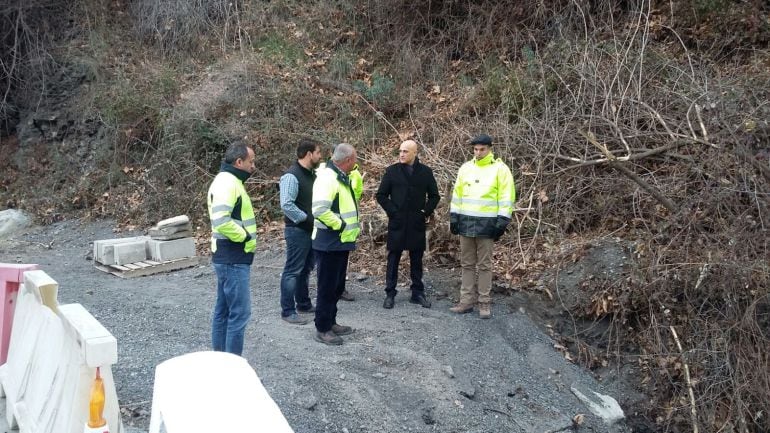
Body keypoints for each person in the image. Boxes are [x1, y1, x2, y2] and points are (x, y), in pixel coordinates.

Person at [448, 134, 515, 319]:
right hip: (466, 222)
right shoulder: (466, 168)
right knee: (467, 264)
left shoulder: (500, 170)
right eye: (475, 149)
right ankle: (466, 301)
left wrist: (502, 221)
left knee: (485, 265)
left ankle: (484, 303)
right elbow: (457, 194)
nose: (478, 153)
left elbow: (506, 197)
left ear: (490, 149)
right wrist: (454, 216)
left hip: (487, 224)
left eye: (482, 149)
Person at [375, 140, 440, 309]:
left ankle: (417, 293)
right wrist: (393, 212)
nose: (401, 154)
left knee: (416, 259)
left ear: (414, 153)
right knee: (393, 258)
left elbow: (434, 196)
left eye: (405, 151)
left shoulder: (425, 172)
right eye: (400, 151)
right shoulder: (392, 171)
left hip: (416, 222)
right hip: (397, 222)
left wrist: (424, 212)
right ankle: (390, 293)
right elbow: (381, 195)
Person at [207, 141, 257, 355]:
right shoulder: (228, 183)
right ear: (239, 162)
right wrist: (244, 237)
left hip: (229, 256)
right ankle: (233, 366)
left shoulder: (229, 180)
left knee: (224, 311)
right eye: (250, 162)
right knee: (239, 313)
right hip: (233, 257)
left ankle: (221, 361)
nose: (253, 166)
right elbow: (221, 220)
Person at [311, 143, 361, 345]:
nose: (356, 162)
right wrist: (340, 226)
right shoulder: (328, 178)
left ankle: (331, 321)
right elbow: (320, 210)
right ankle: (322, 328)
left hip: (340, 242)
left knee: (335, 286)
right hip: (329, 242)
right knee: (326, 286)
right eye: (355, 158)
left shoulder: (339, 176)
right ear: (348, 160)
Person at [278, 138, 323, 325]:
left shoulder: (311, 174)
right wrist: (306, 218)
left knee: (305, 269)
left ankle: (303, 304)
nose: (321, 156)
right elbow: (286, 204)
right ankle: (288, 311)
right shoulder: (291, 176)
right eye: (318, 152)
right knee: (293, 270)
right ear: (309, 154)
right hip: (297, 230)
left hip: (309, 230)